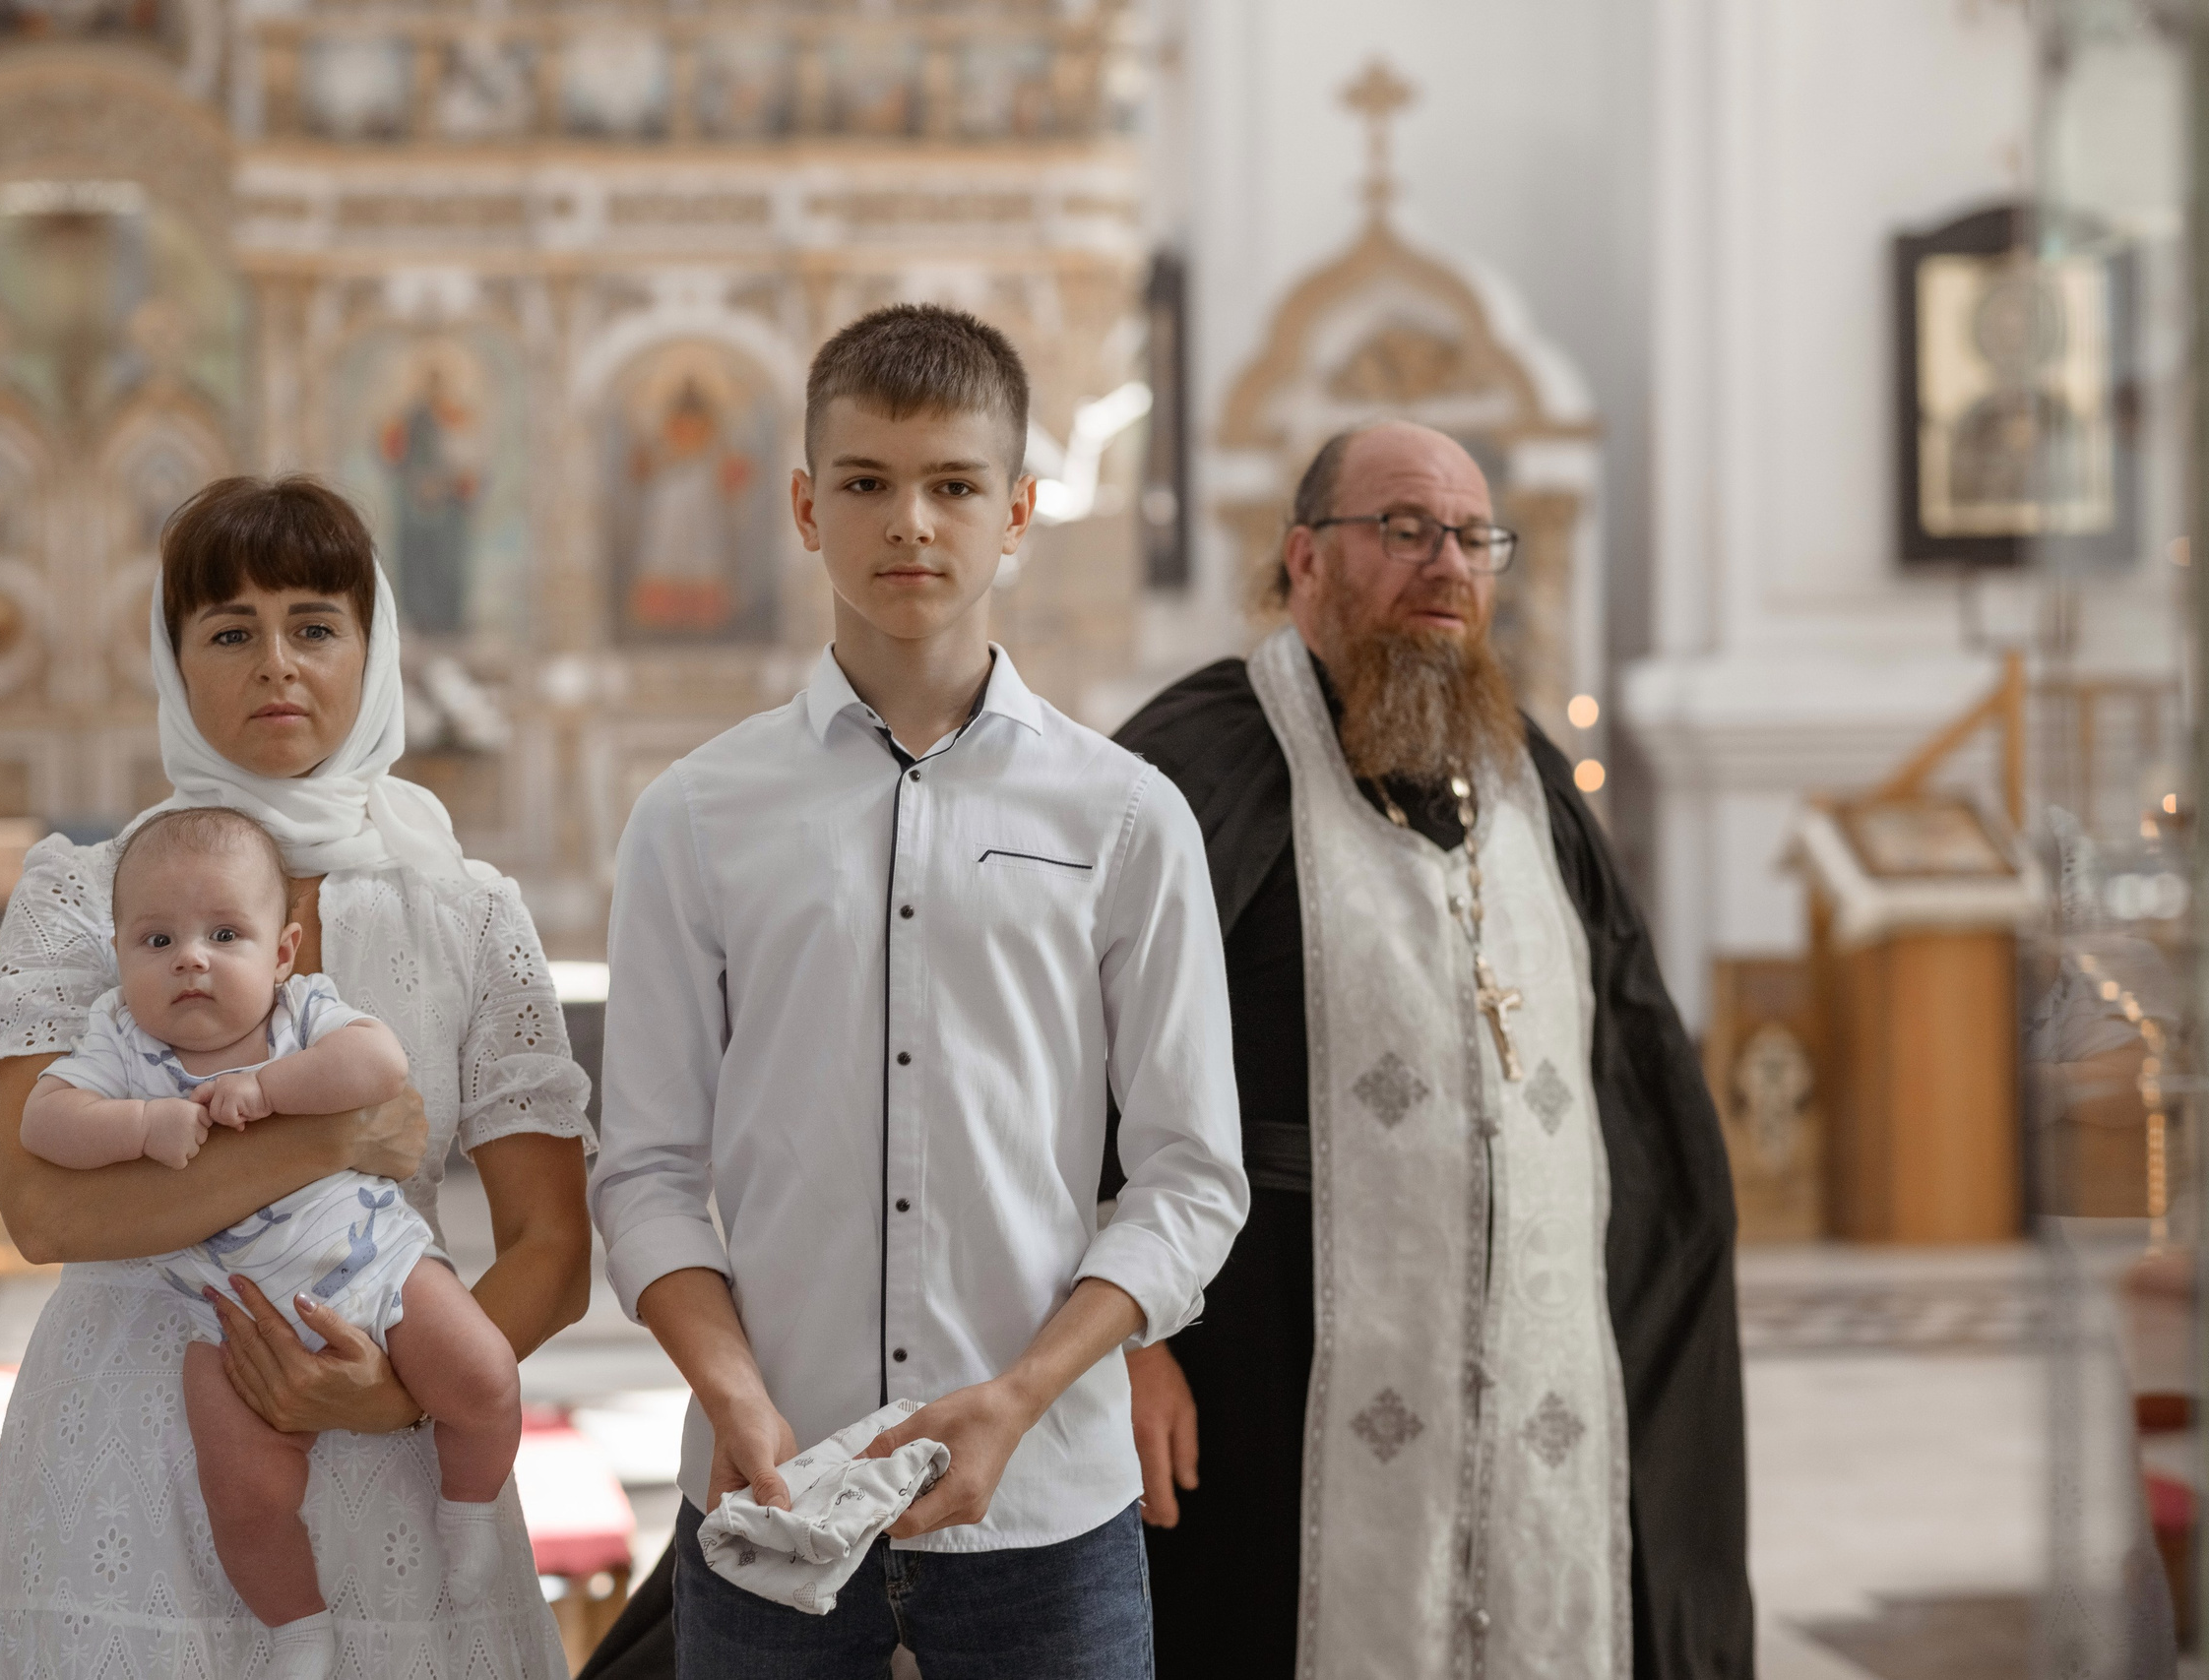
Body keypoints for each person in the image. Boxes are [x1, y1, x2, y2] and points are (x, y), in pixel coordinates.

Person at [590, 303, 1247, 1679]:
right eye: (868, 482)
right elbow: (647, 1168)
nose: (911, 523)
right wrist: (738, 1401)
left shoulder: (1125, 815)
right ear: (803, 508)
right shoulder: (697, 813)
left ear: (1015, 511)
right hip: (769, 1508)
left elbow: (1191, 1178)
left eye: (954, 485)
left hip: (1047, 1511)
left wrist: (1021, 1395)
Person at [1114, 423, 1752, 1680]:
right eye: (1403, 529)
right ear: (1303, 558)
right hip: (1269, 1375)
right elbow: (1067, 1074)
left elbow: (1636, 1102)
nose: (1448, 563)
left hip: (1531, 1384)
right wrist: (1125, 1344)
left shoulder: (1530, 787)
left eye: (1473, 537)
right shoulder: (1191, 770)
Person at [0, 474, 594, 1680]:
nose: (277, 665)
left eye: (314, 625)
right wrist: (329, 1142)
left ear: (373, 648)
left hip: (397, 1451)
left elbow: (554, 1249)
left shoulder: (464, 912)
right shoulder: (82, 894)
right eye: (229, 632)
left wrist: (398, 1395)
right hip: (130, 1447)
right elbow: (43, 1209)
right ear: (174, 659)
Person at [18, 805, 528, 1678]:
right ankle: (297, 1625)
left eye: (225, 933)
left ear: (283, 952)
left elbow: (380, 1067)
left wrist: (268, 1087)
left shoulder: (304, 1012)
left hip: (377, 1263)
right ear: (117, 951)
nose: (191, 957)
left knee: (483, 1373)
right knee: (245, 1494)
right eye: (156, 939)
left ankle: (469, 1506)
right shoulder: (122, 1041)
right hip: (229, 1316)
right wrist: (139, 1124)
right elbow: (42, 1120)